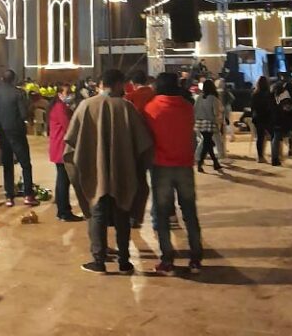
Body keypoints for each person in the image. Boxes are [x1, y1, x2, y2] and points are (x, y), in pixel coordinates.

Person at [64, 69, 153, 275]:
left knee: (98, 214)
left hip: (95, 172)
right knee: (122, 214)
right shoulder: (126, 108)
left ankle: (99, 261)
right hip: (122, 171)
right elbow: (143, 144)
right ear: (119, 84)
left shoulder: (86, 106)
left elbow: (71, 143)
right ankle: (124, 262)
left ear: (101, 83)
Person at [143, 72, 203, 275]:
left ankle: (167, 260)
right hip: (185, 165)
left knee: (162, 215)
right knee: (190, 213)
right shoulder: (187, 107)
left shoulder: (151, 108)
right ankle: (196, 258)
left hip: (161, 166)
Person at [0, 70, 39, 208]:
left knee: (7, 165)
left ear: (2, 79)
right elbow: (23, 114)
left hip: (3, 134)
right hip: (17, 134)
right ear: (14, 79)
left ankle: (9, 197)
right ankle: (28, 195)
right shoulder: (19, 94)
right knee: (25, 164)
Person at [48, 82, 81, 222]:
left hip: (59, 147)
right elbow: (69, 126)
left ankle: (62, 210)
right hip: (61, 147)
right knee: (64, 180)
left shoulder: (60, 106)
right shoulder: (60, 107)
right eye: (67, 93)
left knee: (62, 179)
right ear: (59, 94)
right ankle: (64, 212)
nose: (70, 95)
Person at [194, 80, 222, 173]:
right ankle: (201, 162)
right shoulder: (213, 98)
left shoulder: (199, 97)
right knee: (207, 143)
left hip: (199, 122)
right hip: (210, 122)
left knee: (207, 142)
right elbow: (216, 112)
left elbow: (195, 110)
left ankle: (215, 162)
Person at [251, 76, 273, 164]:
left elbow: (253, 107)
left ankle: (260, 156)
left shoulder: (255, 94)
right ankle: (275, 155)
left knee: (260, 138)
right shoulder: (269, 94)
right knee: (273, 136)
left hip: (258, 118)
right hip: (268, 117)